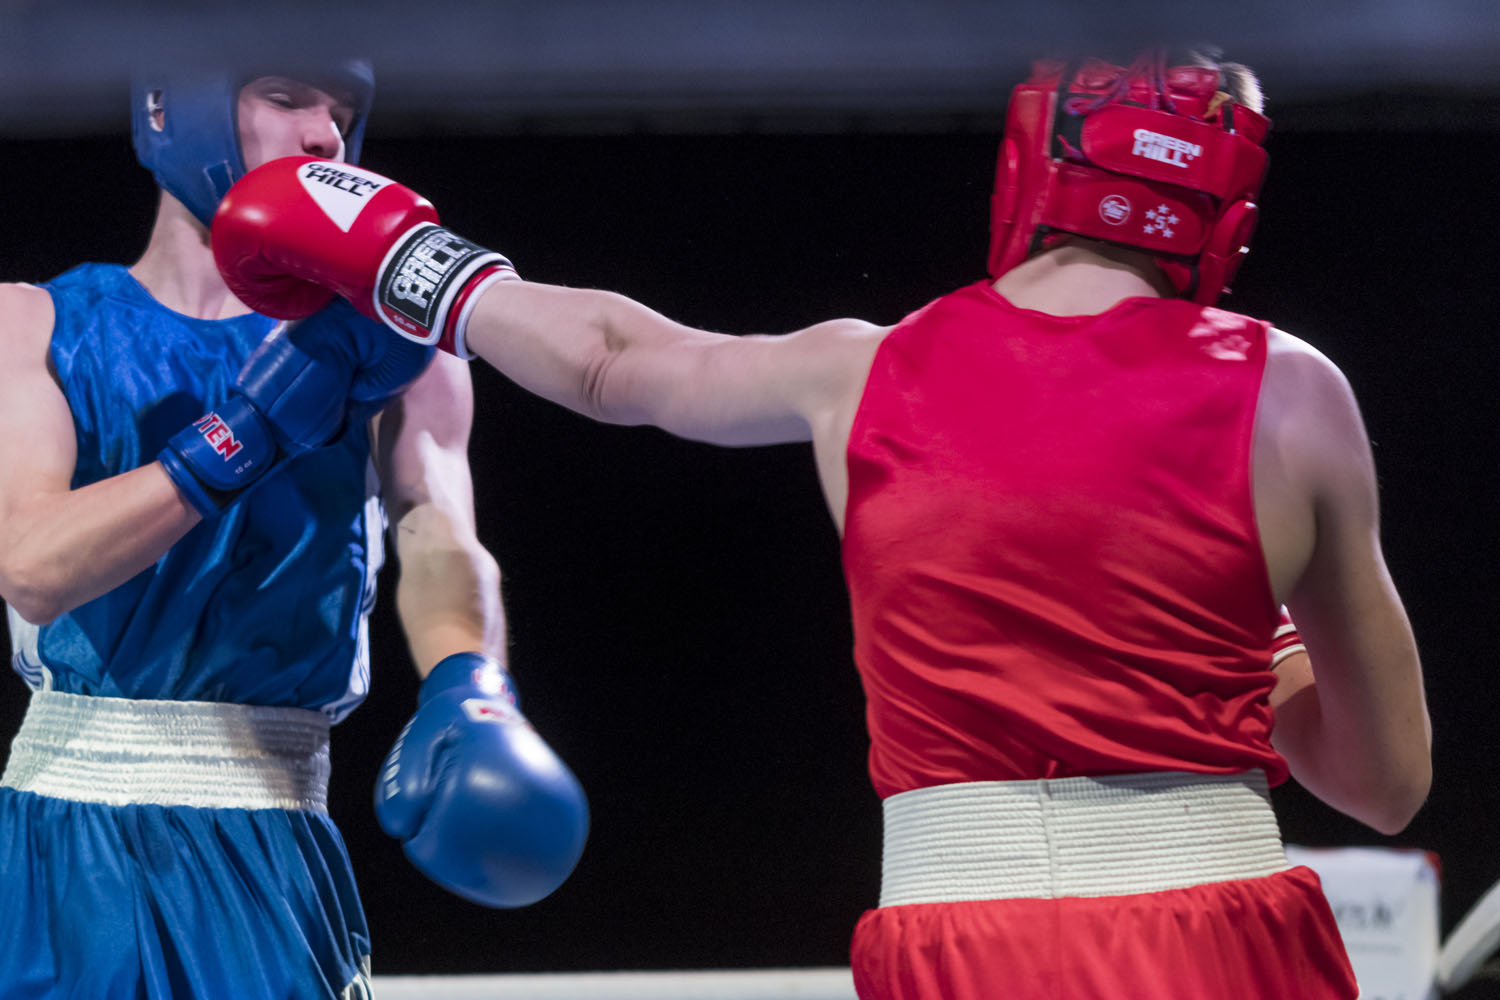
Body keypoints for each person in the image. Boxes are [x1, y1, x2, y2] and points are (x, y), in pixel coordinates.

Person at [213, 50, 1431, 999]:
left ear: (1032, 157)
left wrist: (407, 258)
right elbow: (1385, 782)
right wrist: (1255, 638)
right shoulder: (1292, 391)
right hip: (1217, 927)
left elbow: (611, 361)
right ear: (1224, 199)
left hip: (958, 936)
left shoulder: (864, 371)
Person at [0, 61, 587, 999]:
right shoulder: (28, 322)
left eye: (342, 113)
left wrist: (470, 683)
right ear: (170, 107)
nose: (324, 136)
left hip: (267, 828)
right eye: (284, 97)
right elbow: (32, 566)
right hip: (62, 841)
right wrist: (254, 428)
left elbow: (439, 531)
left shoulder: (390, 339)